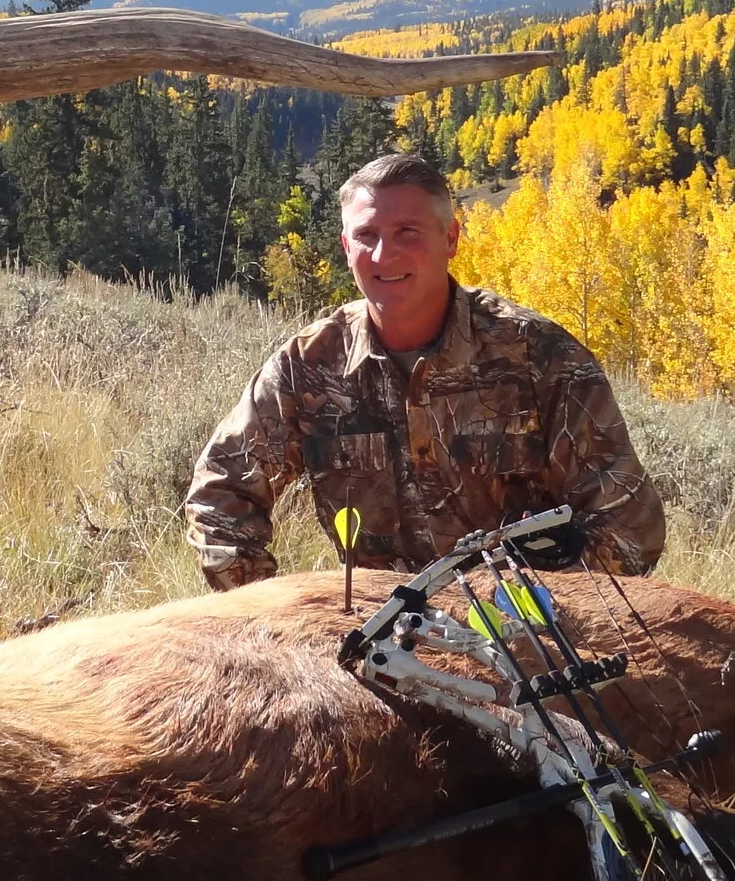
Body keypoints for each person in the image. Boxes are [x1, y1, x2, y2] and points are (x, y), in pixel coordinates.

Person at [185, 151, 665, 587]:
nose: (382, 255)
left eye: (406, 233)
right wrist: (280, 622)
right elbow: (218, 498)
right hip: (381, 645)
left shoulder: (538, 355)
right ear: (344, 247)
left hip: (525, 641)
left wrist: (544, 614)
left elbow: (627, 524)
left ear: (450, 238)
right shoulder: (307, 366)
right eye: (366, 236)